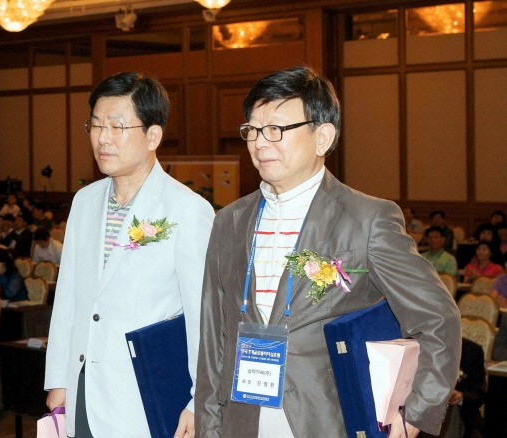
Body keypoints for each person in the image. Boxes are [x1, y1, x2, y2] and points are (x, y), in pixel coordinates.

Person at [195, 66, 461, 438]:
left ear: (323, 137)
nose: (260, 143)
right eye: (252, 129)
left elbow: (438, 318)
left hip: (329, 421)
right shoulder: (229, 221)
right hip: (242, 422)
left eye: (276, 129)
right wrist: (209, 428)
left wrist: (415, 413)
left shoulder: (366, 219)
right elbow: (214, 340)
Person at [44, 71, 214, 438]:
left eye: (117, 126)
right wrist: (58, 377)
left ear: (153, 136)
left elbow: (203, 316)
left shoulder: (186, 209)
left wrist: (198, 399)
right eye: (96, 125)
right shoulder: (85, 201)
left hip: (144, 395)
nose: (102, 138)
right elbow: (68, 297)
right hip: (83, 389)